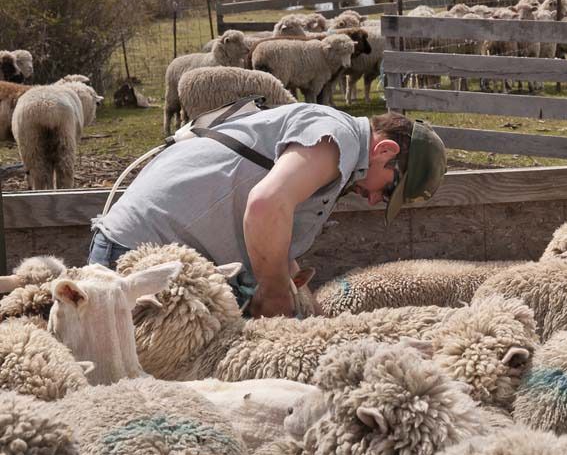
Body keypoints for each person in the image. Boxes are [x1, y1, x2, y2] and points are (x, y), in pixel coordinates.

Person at [89, 102, 446, 317]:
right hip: (140, 259)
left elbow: (274, 234)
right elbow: (265, 205)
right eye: (387, 191)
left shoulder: (332, 144)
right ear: (385, 152)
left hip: (149, 251)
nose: (372, 200)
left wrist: (310, 314)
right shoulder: (340, 139)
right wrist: (275, 293)